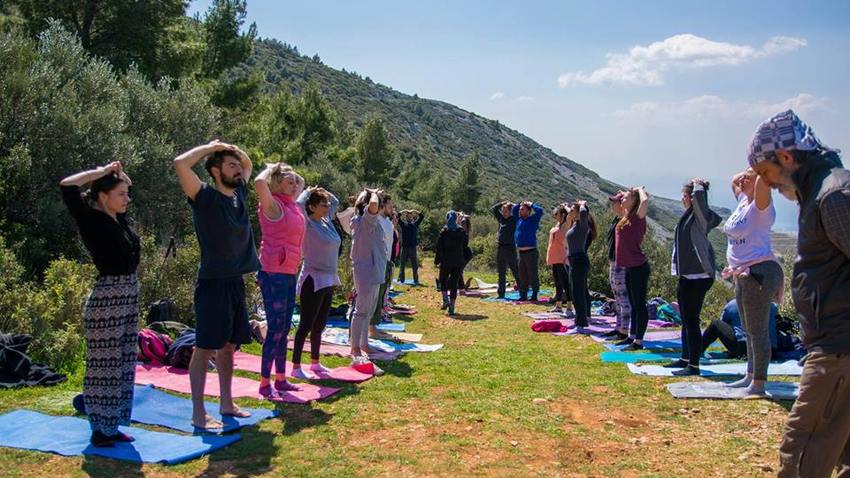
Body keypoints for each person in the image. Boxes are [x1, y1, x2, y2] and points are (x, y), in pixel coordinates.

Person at [747, 110, 850, 477]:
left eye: (765, 173)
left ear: (787, 157)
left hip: (839, 348)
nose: (768, 183)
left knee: (805, 447)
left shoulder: (833, 195)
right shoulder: (821, 191)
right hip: (835, 344)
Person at [173, 140, 258, 429]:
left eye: (236, 166)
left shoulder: (239, 194)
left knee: (229, 346)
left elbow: (248, 164)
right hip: (212, 283)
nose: (238, 170)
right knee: (205, 347)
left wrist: (234, 150)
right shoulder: (205, 196)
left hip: (236, 281)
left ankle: (226, 402)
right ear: (214, 171)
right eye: (230, 166)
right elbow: (180, 164)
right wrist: (212, 147)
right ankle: (198, 413)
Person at [61, 161, 140, 447]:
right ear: (103, 196)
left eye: (126, 194)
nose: (127, 199)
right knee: (103, 365)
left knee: (123, 362)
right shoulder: (91, 219)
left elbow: (126, 187)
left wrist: (119, 177)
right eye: (121, 194)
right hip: (108, 298)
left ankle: (112, 425)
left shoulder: (121, 220)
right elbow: (67, 186)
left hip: (129, 294)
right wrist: (100, 172)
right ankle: (99, 427)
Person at [722, 167, 783, 394]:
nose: (744, 177)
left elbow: (762, 182)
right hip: (742, 272)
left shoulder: (761, 207)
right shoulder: (743, 202)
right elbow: (734, 180)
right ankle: (750, 376)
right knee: (748, 328)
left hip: (760, 271)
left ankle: (759, 383)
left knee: (757, 329)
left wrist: (759, 170)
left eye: (751, 174)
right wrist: (747, 174)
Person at [253, 163, 305, 397]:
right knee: (274, 328)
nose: (295, 185)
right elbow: (258, 183)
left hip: (288, 272)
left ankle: (281, 379)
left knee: (284, 328)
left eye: (295, 182)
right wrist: (272, 169)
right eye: (289, 181)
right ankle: (265, 384)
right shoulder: (272, 206)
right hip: (273, 272)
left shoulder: (291, 205)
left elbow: (301, 181)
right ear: (277, 182)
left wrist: (289, 172)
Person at [666, 178, 722, 376]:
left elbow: (700, 200)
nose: (682, 199)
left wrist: (698, 186)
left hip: (699, 275)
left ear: (693, 198)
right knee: (686, 318)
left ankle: (694, 365)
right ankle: (685, 357)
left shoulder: (700, 217)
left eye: (685, 195)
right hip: (686, 275)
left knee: (692, 319)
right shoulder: (688, 216)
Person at [291, 186, 341, 379]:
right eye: (323, 204)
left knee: (320, 324)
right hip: (312, 278)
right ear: (311, 207)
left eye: (326, 204)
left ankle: (315, 363)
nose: (327, 206)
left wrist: (326, 192)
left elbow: (335, 202)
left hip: (328, 277)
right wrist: (307, 190)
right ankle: (296, 366)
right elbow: (298, 205)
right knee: (306, 324)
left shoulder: (326, 221)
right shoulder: (307, 223)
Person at [349, 188, 387, 375]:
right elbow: (372, 205)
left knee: (368, 310)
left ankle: (364, 344)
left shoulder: (365, 221)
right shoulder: (365, 220)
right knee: (361, 311)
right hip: (366, 272)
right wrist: (374, 194)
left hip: (374, 271)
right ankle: (355, 350)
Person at [615, 187, 651, 351]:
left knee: (639, 304)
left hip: (638, 267)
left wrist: (637, 190)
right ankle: (632, 336)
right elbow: (615, 204)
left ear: (635, 201)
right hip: (629, 267)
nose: (623, 200)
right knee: (633, 304)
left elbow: (645, 201)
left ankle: (639, 341)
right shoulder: (626, 216)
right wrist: (623, 196)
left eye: (626, 198)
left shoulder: (638, 217)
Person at [700, 299, 780, 359]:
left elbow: (724, 323)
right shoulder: (772, 305)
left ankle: (697, 351)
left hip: (746, 350)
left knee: (716, 324)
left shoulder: (733, 304)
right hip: (770, 351)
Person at [601, 193, 631, 340]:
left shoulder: (626, 221)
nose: (612, 205)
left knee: (623, 297)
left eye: (615, 203)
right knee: (617, 297)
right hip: (613, 261)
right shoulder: (616, 220)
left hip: (621, 262)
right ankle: (618, 327)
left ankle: (624, 330)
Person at [566, 201, 596, 329]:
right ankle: (579, 320)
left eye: (573, 210)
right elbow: (574, 212)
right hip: (574, 260)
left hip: (579, 260)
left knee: (578, 292)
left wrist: (582, 204)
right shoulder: (575, 224)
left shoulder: (583, 226)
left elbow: (584, 212)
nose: (570, 212)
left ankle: (581, 322)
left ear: (579, 213)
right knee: (576, 291)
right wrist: (568, 207)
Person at [370, 193, 395, 339]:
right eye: (389, 205)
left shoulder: (386, 221)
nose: (392, 208)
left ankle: (374, 327)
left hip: (386, 262)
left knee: (380, 298)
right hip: (378, 263)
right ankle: (372, 329)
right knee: (375, 297)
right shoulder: (376, 221)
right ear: (382, 206)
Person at [435, 211, 469, 316]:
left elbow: (439, 248)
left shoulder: (444, 232)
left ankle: (445, 300)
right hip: (458, 261)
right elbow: (465, 246)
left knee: (443, 280)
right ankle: (452, 307)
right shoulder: (462, 231)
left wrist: (437, 261)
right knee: (454, 284)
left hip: (446, 261)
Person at [513, 201, 544, 301]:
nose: (520, 211)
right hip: (521, 252)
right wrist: (519, 204)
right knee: (522, 274)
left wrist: (531, 204)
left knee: (532, 274)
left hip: (531, 251)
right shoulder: (518, 220)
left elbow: (540, 211)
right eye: (520, 209)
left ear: (528, 211)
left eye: (522, 209)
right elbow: (514, 210)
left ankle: (534, 294)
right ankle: (523, 295)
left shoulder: (533, 220)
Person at [491, 201, 520, 299]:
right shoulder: (501, 219)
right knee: (501, 272)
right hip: (501, 247)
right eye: (503, 211)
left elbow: (518, 208)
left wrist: (511, 204)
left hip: (510, 247)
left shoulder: (514, 219)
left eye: (506, 211)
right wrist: (502, 203)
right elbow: (494, 209)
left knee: (515, 270)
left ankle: (522, 291)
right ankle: (501, 293)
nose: (504, 213)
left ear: (510, 211)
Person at [546, 204, 571, 314]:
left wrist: (565, 207)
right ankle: (558, 305)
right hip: (554, 257)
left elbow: (570, 214)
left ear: (562, 215)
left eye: (557, 214)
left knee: (566, 282)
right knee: (558, 282)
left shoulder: (566, 225)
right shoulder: (558, 225)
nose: (555, 216)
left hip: (561, 257)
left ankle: (569, 307)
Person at [397, 209, 424, 284]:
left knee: (415, 266)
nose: (409, 217)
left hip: (413, 248)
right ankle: (401, 280)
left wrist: (415, 211)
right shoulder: (403, 224)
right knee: (402, 265)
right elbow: (397, 217)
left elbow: (422, 216)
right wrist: (403, 211)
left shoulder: (415, 224)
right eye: (408, 216)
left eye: (411, 216)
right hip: (405, 248)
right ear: (406, 217)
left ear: (412, 217)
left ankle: (416, 280)